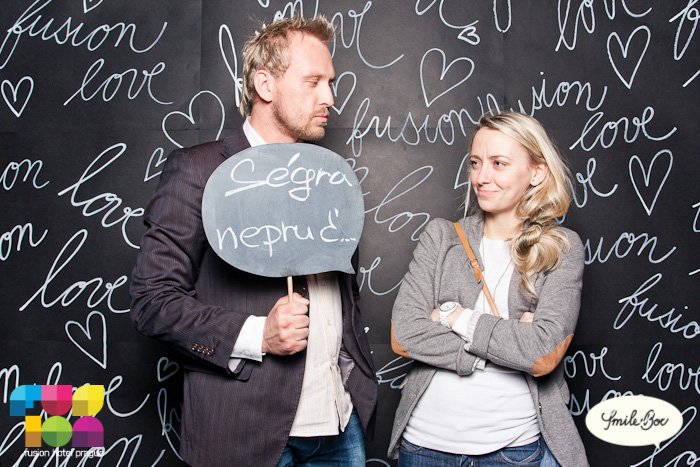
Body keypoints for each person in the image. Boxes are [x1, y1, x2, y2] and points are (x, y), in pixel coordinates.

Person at [130, 15, 377, 467]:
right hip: (245, 433)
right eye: (314, 82)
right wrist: (258, 335)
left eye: (331, 83)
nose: (329, 97)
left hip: (340, 422)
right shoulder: (200, 171)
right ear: (265, 84)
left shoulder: (329, 177)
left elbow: (342, 289)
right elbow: (152, 300)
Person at [388, 111, 589, 466]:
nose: (481, 177)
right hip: (423, 447)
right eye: (475, 163)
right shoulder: (441, 237)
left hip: (513, 449)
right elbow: (403, 336)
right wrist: (511, 344)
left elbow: (542, 355)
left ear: (537, 172)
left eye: (499, 163)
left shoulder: (561, 247)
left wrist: (454, 317)